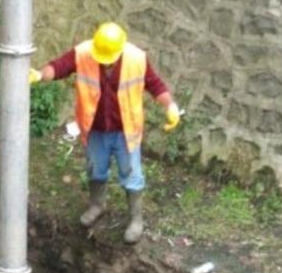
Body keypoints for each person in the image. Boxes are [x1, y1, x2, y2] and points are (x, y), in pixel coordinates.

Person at [30, 22, 183, 244]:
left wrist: (170, 106)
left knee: (131, 173)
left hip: (125, 130)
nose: (105, 62)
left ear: (120, 50)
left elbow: (155, 85)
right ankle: (97, 205)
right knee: (95, 169)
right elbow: (59, 67)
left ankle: (135, 219)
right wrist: (39, 75)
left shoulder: (136, 58)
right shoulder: (84, 52)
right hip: (96, 128)